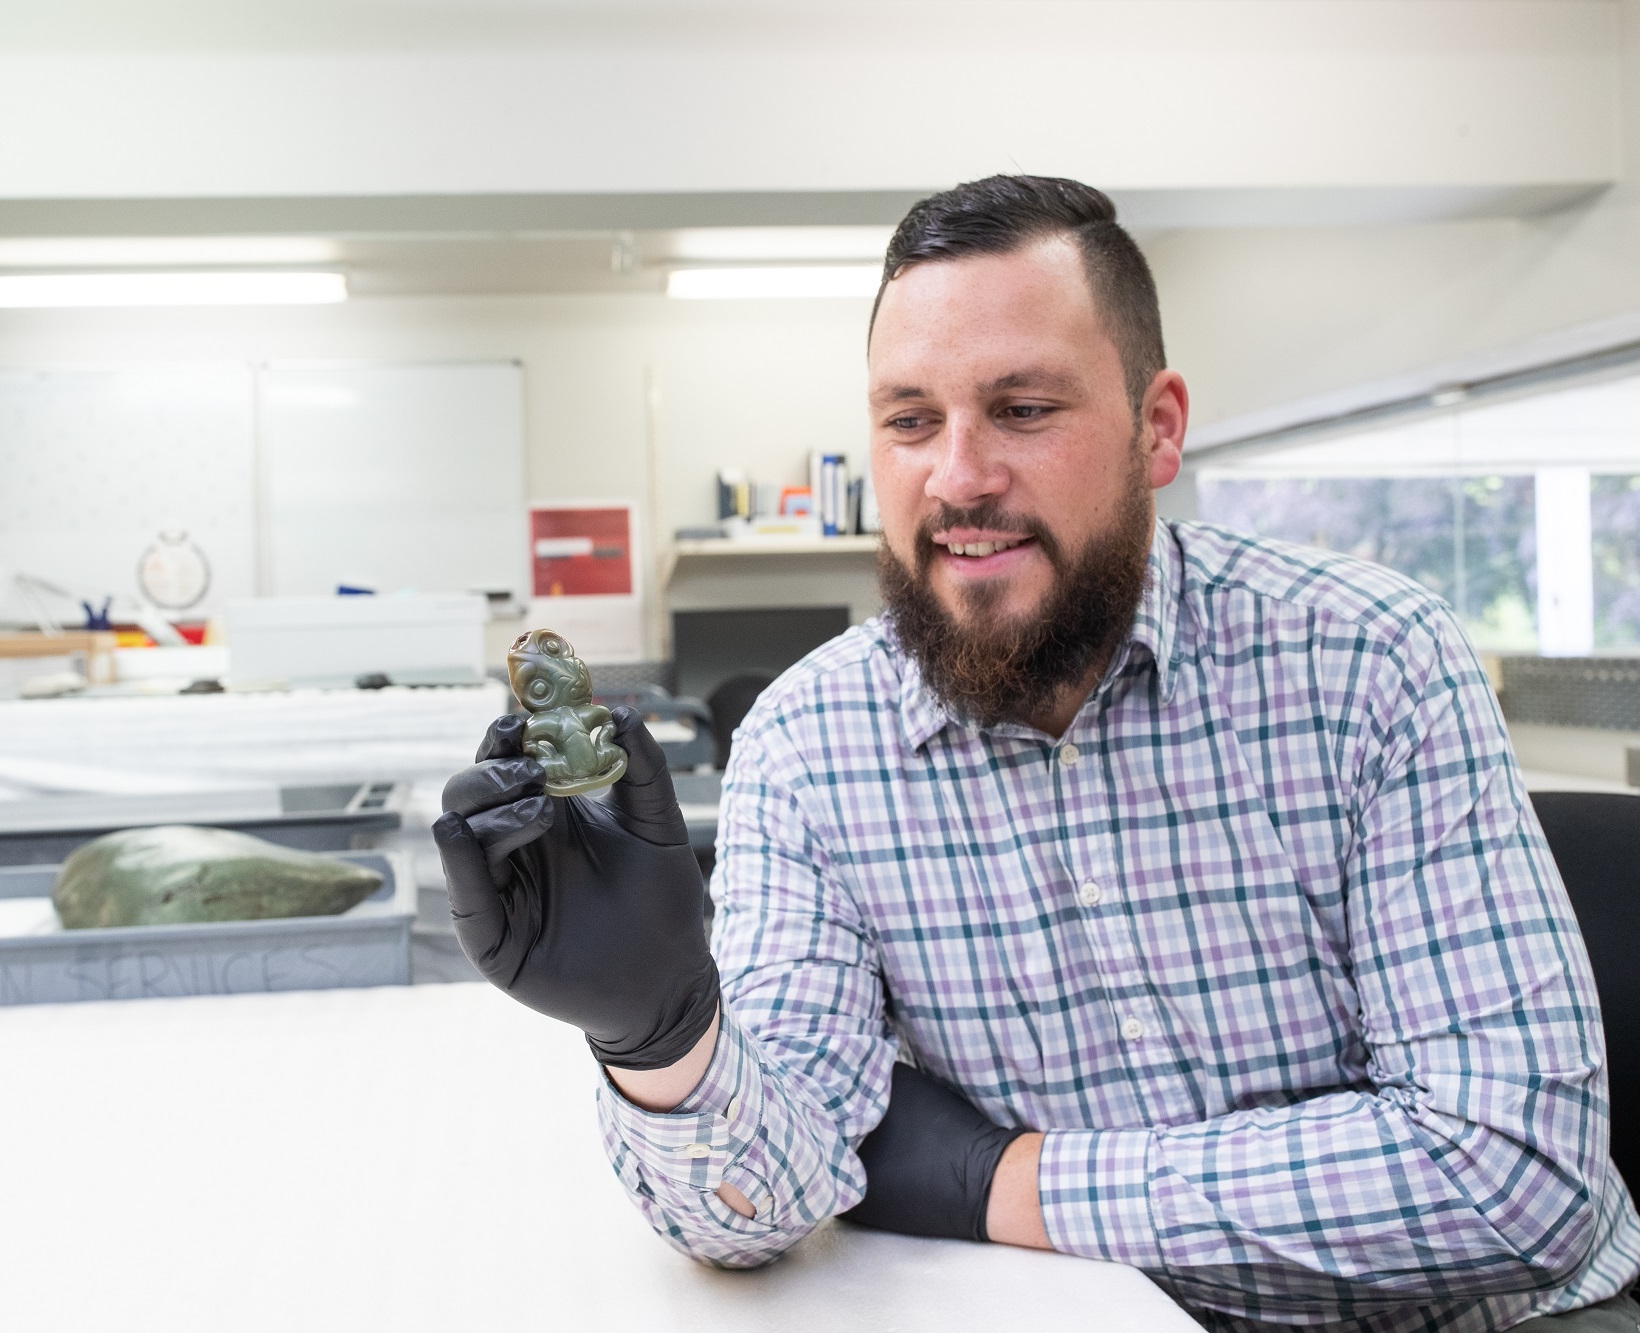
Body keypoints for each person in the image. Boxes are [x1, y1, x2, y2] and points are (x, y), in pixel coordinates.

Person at [433, 175, 1640, 1332]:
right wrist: (664, 1037)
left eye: (1022, 409)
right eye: (909, 421)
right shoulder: (810, 744)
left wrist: (1000, 1182)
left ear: (1154, 430)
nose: (957, 477)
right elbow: (766, 1206)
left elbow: (1511, 1176)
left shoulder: (1370, 662)